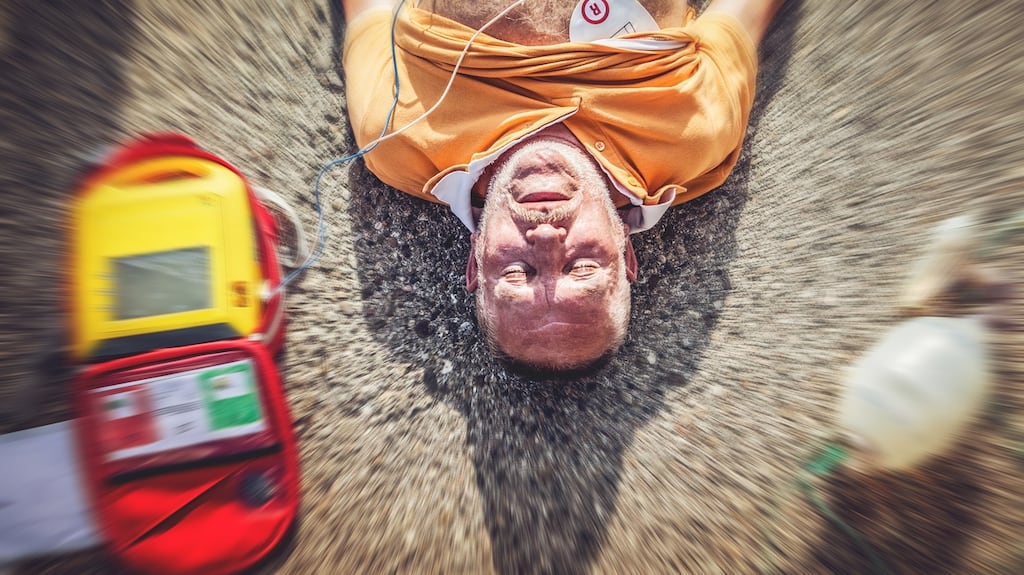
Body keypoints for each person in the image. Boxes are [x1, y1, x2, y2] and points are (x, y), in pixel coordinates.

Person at [341, 0, 783, 372]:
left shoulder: (396, 140)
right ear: (624, 250)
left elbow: (369, 12)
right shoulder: (695, 138)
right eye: (582, 267)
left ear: (476, 263)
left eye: (517, 273)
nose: (547, 236)